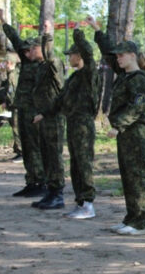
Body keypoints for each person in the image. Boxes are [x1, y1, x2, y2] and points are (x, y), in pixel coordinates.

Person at [87, 15, 145, 235]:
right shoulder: (124, 75)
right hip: (126, 133)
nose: (117, 59)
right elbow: (108, 52)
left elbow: (137, 107)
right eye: (117, 57)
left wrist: (117, 124)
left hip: (136, 132)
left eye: (122, 55)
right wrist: (97, 30)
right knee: (127, 176)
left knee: (137, 177)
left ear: (132, 56)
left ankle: (141, 222)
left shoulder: (139, 78)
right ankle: (131, 217)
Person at [40, 28, 100, 219]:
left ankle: (89, 203)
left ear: (79, 55)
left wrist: (78, 35)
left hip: (83, 123)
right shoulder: (74, 77)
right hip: (72, 122)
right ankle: (81, 201)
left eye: (71, 55)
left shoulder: (89, 73)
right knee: (75, 163)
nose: (69, 58)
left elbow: (89, 55)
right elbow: (60, 100)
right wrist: (45, 113)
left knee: (84, 163)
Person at [0, 9, 46, 197]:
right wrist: (4, 20)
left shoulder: (44, 65)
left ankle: (41, 182)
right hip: (23, 110)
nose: (26, 53)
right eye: (25, 50)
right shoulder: (26, 63)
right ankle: (31, 181)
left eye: (30, 49)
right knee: (25, 146)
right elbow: (15, 39)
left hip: (36, 111)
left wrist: (46, 34)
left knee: (35, 147)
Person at [30, 20, 66, 210]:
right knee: (45, 155)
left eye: (35, 48)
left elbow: (51, 55)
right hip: (43, 117)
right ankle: (50, 191)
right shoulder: (42, 67)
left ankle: (58, 194)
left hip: (53, 117)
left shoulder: (54, 64)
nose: (32, 52)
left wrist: (47, 36)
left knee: (54, 156)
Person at [0, 53, 24, 161]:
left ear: (9, 63)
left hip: (14, 105)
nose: (4, 65)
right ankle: (17, 149)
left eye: (5, 63)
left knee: (16, 128)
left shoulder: (13, 75)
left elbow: (12, 91)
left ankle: (21, 152)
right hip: (13, 105)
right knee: (13, 126)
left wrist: (7, 102)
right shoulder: (12, 74)